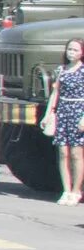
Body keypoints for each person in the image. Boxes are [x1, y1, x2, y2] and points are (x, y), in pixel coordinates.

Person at [47, 36, 84, 206]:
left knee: (77, 154)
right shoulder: (61, 70)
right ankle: (66, 189)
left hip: (78, 111)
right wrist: (49, 114)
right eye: (70, 49)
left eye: (75, 49)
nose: (72, 52)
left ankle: (76, 190)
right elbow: (55, 93)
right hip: (63, 111)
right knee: (63, 153)